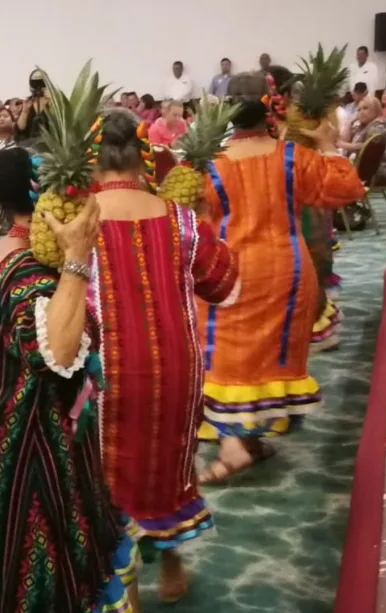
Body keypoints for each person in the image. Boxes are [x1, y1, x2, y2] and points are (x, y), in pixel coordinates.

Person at [0, 146, 136, 613]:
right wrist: (78, 258)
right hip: (35, 438)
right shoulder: (29, 269)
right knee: (46, 556)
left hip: (3, 425)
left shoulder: (1, 249)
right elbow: (56, 352)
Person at [85, 110, 239, 601]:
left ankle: (120, 587)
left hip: (104, 373)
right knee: (170, 464)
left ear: (91, 161)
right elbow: (224, 284)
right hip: (174, 364)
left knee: (104, 477)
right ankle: (171, 563)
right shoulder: (182, 222)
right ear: (144, 158)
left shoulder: (74, 222)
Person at [195, 73, 366, 479]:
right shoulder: (291, 157)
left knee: (224, 359)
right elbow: (347, 189)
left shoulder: (211, 168)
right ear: (268, 106)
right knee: (266, 358)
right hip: (287, 273)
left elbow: (196, 225)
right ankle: (250, 441)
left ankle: (234, 446)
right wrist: (326, 144)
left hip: (231, 276)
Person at [339, 95, 386, 186]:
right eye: (359, 110)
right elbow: (345, 139)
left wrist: (342, 145)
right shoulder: (363, 124)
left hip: (379, 173)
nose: (361, 112)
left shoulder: (380, 124)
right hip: (365, 170)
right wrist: (350, 122)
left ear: (376, 109)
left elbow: (368, 147)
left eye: (365, 108)